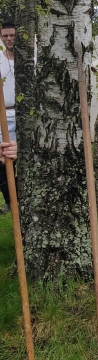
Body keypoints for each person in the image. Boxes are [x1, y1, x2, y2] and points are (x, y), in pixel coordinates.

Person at [0, 20, 17, 215]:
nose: (9, 38)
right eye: (5, 36)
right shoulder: (0, 59)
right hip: (2, 113)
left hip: (22, 114)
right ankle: (9, 201)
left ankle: (18, 199)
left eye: (12, 35)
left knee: (17, 157)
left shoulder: (29, 60)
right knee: (2, 160)